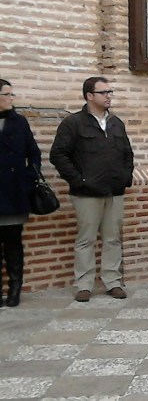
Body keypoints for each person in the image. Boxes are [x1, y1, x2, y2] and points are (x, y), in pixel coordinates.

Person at [50, 76, 134, 302]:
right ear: (89, 96)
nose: (109, 96)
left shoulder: (117, 123)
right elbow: (58, 154)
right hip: (86, 193)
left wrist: (125, 177)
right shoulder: (74, 123)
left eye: (110, 92)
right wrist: (78, 181)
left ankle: (112, 281)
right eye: (104, 92)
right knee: (86, 239)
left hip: (114, 191)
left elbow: (127, 153)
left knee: (112, 238)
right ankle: (84, 284)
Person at [0, 79, 41, 307]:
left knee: (13, 243)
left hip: (13, 192)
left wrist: (28, 178)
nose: (11, 98)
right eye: (7, 94)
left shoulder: (19, 122)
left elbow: (34, 154)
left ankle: (15, 289)